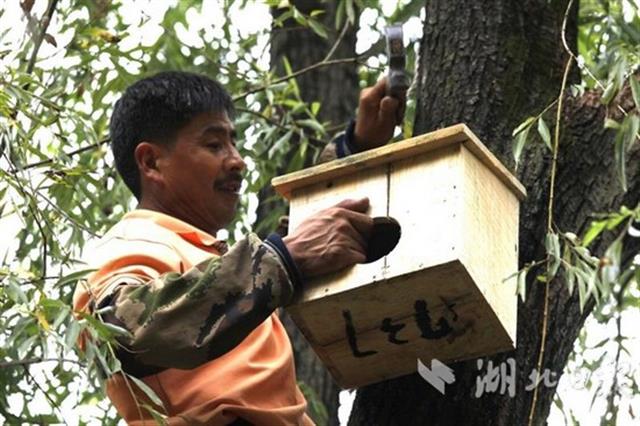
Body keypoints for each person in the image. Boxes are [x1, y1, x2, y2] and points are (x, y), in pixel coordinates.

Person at [73, 71, 404, 425]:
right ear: (152, 162)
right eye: (214, 145)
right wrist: (281, 260)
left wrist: (353, 148)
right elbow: (123, 334)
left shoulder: (204, 254)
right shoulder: (132, 241)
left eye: (233, 142)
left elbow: (302, 236)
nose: (237, 160)